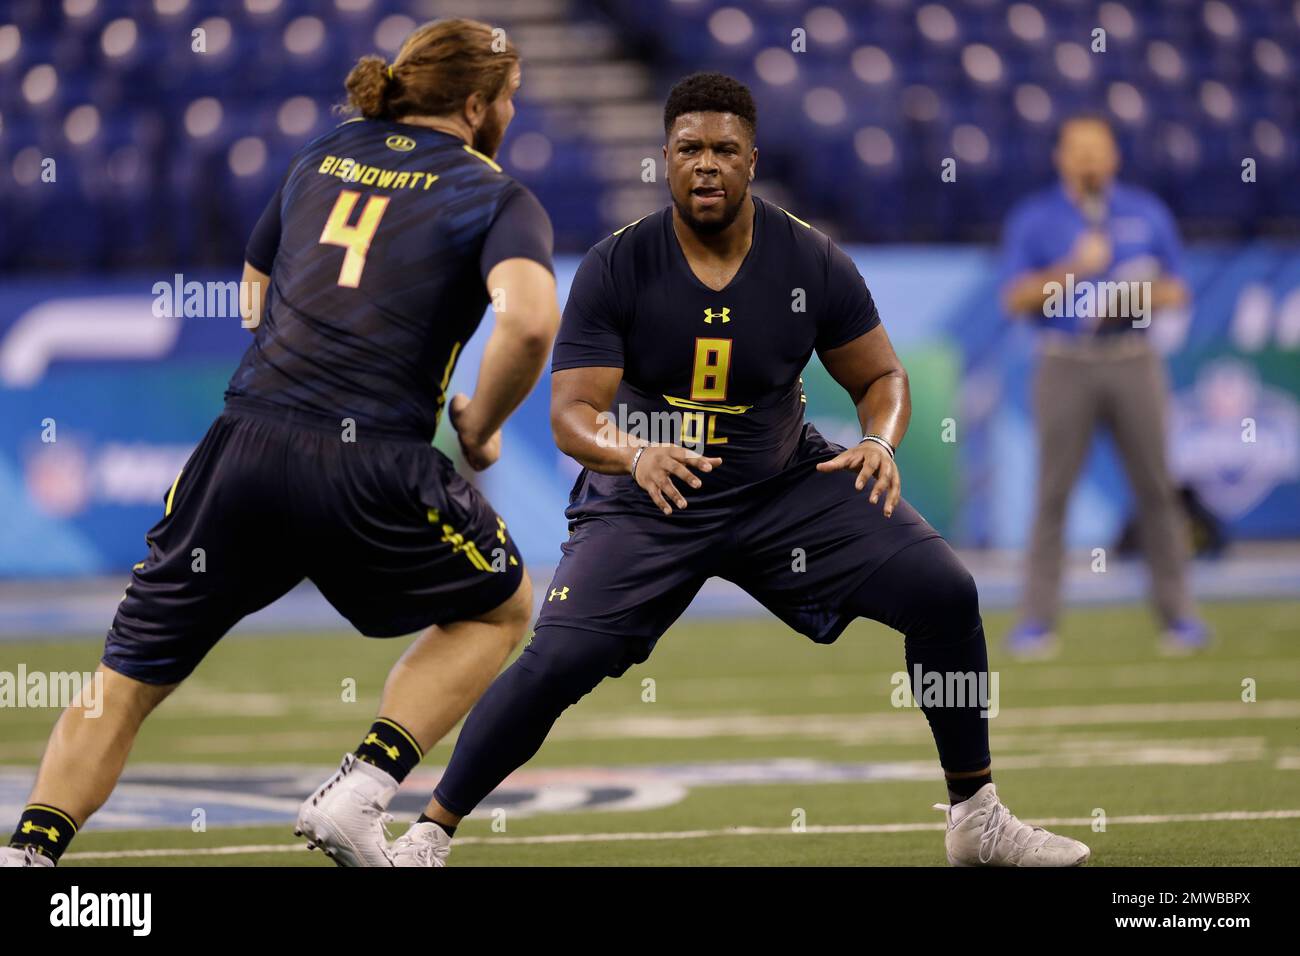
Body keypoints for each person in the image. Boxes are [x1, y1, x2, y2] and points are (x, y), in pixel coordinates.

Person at [385, 73, 1090, 868]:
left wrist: (880, 441)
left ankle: (978, 818)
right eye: (690, 149)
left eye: (725, 149)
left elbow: (882, 379)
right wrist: (636, 452)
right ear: (665, 160)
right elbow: (572, 417)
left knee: (945, 593)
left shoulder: (809, 258)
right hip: (649, 496)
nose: (707, 164)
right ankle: (426, 835)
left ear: (753, 159)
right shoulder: (620, 265)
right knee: (555, 662)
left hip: (781, 488)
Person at [2, 18, 560, 868]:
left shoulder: (321, 154)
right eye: (511, 96)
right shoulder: (493, 193)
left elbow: (256, 282)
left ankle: (31, 856)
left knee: (124, 683)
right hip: (372, 459)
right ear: (479, 104)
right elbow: (530, 321)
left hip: (245, 445)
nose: (513, 111)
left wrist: (290, 364)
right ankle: (364, 790)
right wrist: (479, 423)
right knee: (501, 606)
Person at [1001, 114, 1207, 659]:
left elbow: (1178, 289)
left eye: (1099, 150)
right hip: (1064, 360)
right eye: (1079, 150)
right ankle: (1037, 622)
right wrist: (1073, 270)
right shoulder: (1036, 218)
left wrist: (1126, 300)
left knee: (1158, 489)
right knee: (1052, 494)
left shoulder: (1145, 211)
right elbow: (1015, 297)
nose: (1090, 160)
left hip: (1133, 357)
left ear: (1114, 157)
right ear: (1061, 158)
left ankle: (1179, 616)